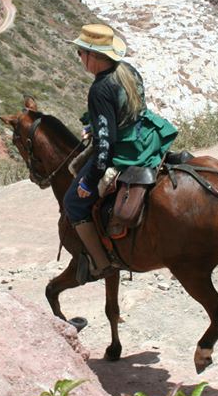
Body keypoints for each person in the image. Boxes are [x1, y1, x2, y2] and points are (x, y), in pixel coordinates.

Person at [64, 23, 177, 282]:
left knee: (73, 201)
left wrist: (89, 181)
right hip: (149, 137)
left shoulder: (100, 89)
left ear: (93, 56)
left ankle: (101, 264)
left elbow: (105, 147)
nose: (79, 57)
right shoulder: (128, 71)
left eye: (80, 52)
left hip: (129, 150)